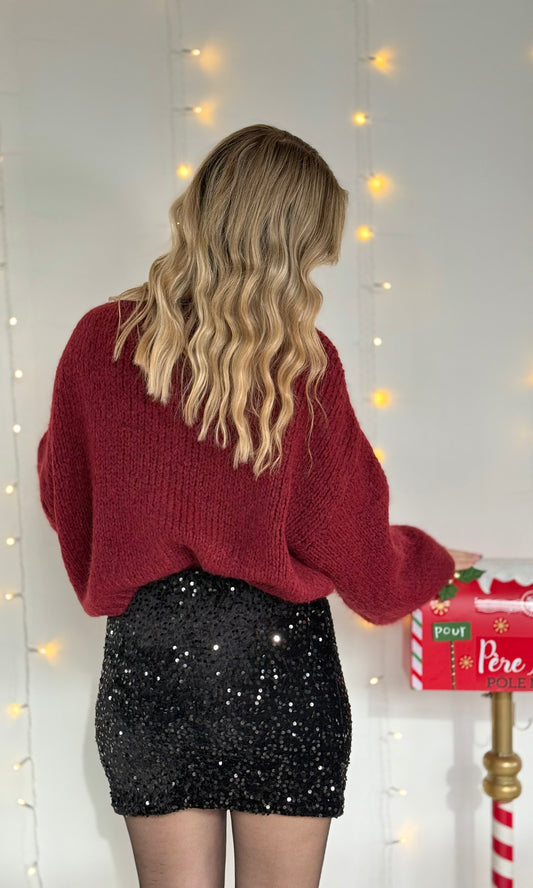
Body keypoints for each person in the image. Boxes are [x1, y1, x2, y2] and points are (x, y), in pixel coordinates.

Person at [37, 123, 482, 888]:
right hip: (281, 666)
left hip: (150, 659)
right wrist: (430, 559)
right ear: (291, 243)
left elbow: (66, 497)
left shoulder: (98, 341)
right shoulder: (302, 362)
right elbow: (357, 552)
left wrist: (136, 560)